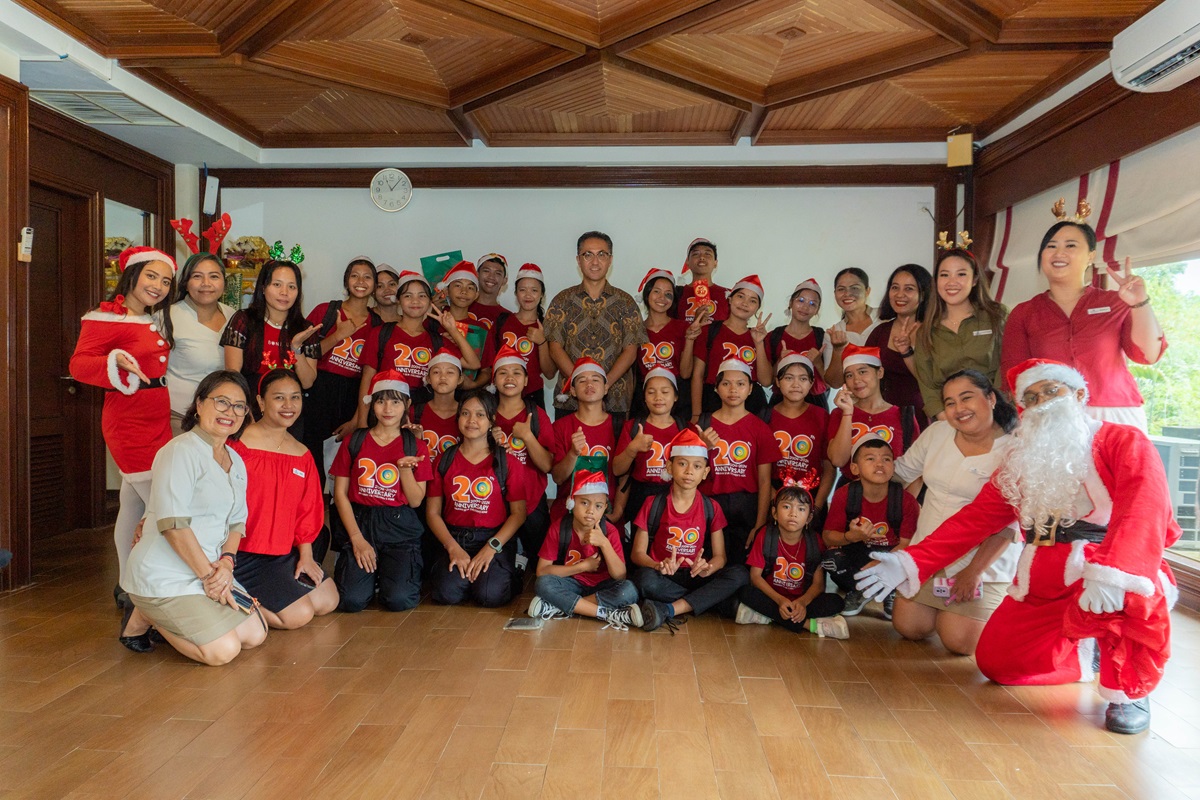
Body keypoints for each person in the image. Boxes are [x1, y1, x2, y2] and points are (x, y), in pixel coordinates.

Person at [856, 358, 1180, 735]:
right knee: (998, 664)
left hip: (1103, 566)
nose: (1041, 401)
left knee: (1131, 598)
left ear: (1078, 394)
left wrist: (1115, 573)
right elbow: (975, 518)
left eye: (1050, 390)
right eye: (1031, 396)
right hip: (1042, 574)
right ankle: (1083, 654)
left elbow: (1146, 508)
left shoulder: (1122, 441)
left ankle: (1129, 690)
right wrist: (909, 561)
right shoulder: (1022, 459)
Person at [120, 370, 267, 665]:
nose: (231, 412)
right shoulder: (179, 451)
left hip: (209, 568)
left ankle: (165, 615)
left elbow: (238, 522)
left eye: (239, 406)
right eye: (221, 402)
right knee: (223, 651)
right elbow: (174, 526)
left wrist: (227, 563)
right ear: (199, 404)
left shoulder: (235, 459)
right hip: (166, 574)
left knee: (255, 635)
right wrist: (211, 577)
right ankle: (146, 614)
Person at [69, 246, 176, 602]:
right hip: (129, 420)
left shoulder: (149, 317)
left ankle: (125, 583)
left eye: (165, 280)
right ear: (132, 274)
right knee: (163, 506)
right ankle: (155, 589)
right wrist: (115, 361)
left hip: (156, 413)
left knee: (132, 502)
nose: (158, 286)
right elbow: (80, 365)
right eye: (151, 276)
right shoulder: (104, 316)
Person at [1000, 199, 1165, 430]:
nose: (1059, 253)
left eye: (1070, 245)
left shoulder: (1116, 301)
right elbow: (1015, 378)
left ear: (1090, 256)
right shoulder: (1024, 313)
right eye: (1051, 246)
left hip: (1114, 414)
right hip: (1051, 417)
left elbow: (1147, 355)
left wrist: (1140, 303)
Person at [891, 370, 1021, 655]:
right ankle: (944, 611)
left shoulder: (1015, 449)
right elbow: (899, 473)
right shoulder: (937, 433)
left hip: (980, 561)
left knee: (960, 642)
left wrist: (974, 571)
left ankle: (985, 611)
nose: (958, 409)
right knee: (909, 627)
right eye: (950, 403)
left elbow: (1009, 524)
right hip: (928, 550)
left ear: (990, 398)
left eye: (966, 398)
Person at [229, 369, 338, 628]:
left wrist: (307, 556)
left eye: (295, 397)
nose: (289, 406)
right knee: (298, 616)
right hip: (242, 553)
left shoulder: (301, 453)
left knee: (328, 600)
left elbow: (307, 510)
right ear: (261, 402)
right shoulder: (237, 444)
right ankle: (231, 598)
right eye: (279, 398)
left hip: (281, 552)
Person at [330, 370, 433, 612]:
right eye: (380, 400)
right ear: (372, 404)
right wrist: (357, 539)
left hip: (399, 527)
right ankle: (369, 575)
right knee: (351, 601)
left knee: (399, 600)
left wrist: (405, 470)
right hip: (360, 521)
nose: (387, 408)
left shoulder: (415, 445)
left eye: (395, 401)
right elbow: (341, 494)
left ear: (407, 404)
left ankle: (386, 575)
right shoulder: (354, 441)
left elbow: (417, 501)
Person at [631, 428, 748, 632]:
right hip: (664, 576)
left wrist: (708, 567)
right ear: (669, 466)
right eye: (682, 463)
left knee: (739, 574)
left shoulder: (711, 507)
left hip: (697, 577)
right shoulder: (654, 504)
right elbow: (637, 554)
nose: (688, 471)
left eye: (696, 466)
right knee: (643, 580)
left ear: (705, 473)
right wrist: (658, 565)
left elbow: (720, 557)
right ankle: (707, 602)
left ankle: (670, 609)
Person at [427, 390, 530, 607]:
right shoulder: (444, 460)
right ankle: (469, 579)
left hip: (494, 538)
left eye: (480, 415)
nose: (472, 420)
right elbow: (433, 513)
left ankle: (511, 570)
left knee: (490, 595)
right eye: (465, 413)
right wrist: (452, 548)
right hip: (455, 537)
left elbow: (518, 514)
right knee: (447, 594)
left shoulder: (507, 462)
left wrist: (490, 548)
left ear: (492, 420)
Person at [544, 231, 647, 426]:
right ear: (578, 259)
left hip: (614, 401)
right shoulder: (562, 300)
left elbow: (631, 351)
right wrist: (579, 382)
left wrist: (603, 385)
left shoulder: (625, 303)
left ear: (610, 260)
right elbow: (555, 348)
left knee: (615, 456)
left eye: (602, 254)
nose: (595, 261)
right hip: (570, 401)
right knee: (569, 455)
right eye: (588, 254)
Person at [529, 469, 642, 630]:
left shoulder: (609, 531)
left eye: (598, 506)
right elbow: (542, 571)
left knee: (629, 590)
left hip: (602, 586)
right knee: (543, 584)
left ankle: (562, 605)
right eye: (584, 503)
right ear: (572, 502)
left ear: (604, 509)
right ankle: (605, 613)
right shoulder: (559, 528)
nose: (590, 511)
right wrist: (582, 567)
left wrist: (604, 543)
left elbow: (620, 575)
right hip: (572, 582)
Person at [356, 269, 479, 416]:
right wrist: (361, 421)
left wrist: (452, 330)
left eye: (422, 296)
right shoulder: (380, 333)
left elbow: (473, 363)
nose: (415, 301)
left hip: (421, 413)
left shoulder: (436, 340)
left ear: (429, 301)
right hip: (385, 410)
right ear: (399, 300)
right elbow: (367, 379)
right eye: (408, 296)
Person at [822, 435, 919, 619]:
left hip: (891, 556)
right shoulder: (845, 495)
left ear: (893, 467)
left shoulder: (906, 501)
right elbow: (828, 536)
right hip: (858, 553)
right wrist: (851, 537)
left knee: (909, 561)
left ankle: (891, 590)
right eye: (870, 458)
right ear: (854, 468)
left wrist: (885, 565)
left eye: (886, 459)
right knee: (831, 559)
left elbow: (907, 545)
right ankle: (858, 590)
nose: (880, 464)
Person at [736, 483, 848, 638]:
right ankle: (811, 625)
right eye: (786, 507)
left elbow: (818, 584)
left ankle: (767, 617)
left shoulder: (815, 541)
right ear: (774, 513)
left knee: (836, 602)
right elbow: (755, 577)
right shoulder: (765, 535)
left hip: (800, 600)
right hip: (773, 597)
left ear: (809, 517)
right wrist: (780, 600)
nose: (793, 514)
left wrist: (802, 603)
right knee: (745, 592)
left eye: (801, 509)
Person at [303, 256, 379, 485]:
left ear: (374, 285)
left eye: (367, 277)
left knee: (343, 463)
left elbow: (371, 374)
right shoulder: (325, 311)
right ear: (346, 282)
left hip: (352, 395)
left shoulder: (377, 324)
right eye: (355, 275)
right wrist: (338, 335)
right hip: (318, 390)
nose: (361, 281)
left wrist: (357, 418)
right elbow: (303, 352)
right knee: (312, 454)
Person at [914, 236, 1006, 421]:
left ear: (974, 280)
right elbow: (927, 384)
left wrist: (995, 411)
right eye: (944, 274)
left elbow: (1006, 365)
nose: (951, 281)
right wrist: (947, 418)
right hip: (950, 419)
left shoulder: (996, 316)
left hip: (995, 414)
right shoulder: (926, 331)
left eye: (961, 274)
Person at [695, 358, 776, 566]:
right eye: (726, 383)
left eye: (740, 384)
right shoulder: (700, 426)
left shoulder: (760, 428)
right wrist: (701, 447)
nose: (733, 390)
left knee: (742, 566)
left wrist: (759, 524)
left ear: (750, 389)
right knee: (709, 563)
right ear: (716, 388)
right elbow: (686, 472)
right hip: (709, 505)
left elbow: (765, 480)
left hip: (746, 507)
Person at [221, 259, 320, 410]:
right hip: (250, 404)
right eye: (277, 284)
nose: (284, 292)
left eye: (291, 286)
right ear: (263, 287)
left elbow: (307, 382)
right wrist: (246, 412)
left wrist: (296, 348)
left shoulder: (305, 329)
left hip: (288, 409)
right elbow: (233, 375)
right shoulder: (243, 320)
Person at [491, 345, 555, 567]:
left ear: (527, 380)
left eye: (517, 372)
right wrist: (489, 442)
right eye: (503, 372)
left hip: (532, 498)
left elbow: (547, 465)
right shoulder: (484, 415)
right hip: (493, 500)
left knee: (540, 560)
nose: (510, 378)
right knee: (501, 562)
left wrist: (528, 437)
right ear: (494, 380)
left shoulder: (537, 415)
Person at [611, 368, 684, 547]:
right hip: (641, 495)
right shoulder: (633, 427)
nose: (658, 397)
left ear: (675, 396)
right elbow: (617, 469)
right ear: (644, 397)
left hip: (674, 494)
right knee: (640, 545)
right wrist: (632, 449)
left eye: (665, 392)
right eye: (651, 392)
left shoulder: (684, 428)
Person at [827, 344, 919, 481]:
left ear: (880, 372)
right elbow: (838, 460)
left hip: (892, 493)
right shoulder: (839, 414)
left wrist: (904, 500)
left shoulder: (903, 416)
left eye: (863, 372)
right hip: (850, 494)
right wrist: (847, 413)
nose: (857, 380)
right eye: (849, 375)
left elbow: (917, 469)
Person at [168, 252, 234, 436]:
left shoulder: (235, 317)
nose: (206, 283)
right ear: (186, 283)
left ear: (224, 282)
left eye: (214, 276)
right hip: (179, 417)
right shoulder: (167, 317)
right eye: (197, 276)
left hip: (224, 417)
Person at [690, 274, 773, 417]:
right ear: (729, 299)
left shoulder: (760, 337)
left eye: (752, 300)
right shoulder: (709, 330)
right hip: (713, 400)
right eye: (740, 296)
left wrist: (759, 344)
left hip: (750, 404)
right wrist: (696, 414)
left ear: (757, 308)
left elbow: (765, 381)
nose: (745, 303)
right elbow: (697, 375)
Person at [550, 358, 619, 518]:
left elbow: (625, 476)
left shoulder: (619, 426)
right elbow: (558, 478)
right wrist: (573, 453)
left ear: (606, 387)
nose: (589, 384)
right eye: (582, 381)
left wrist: (619, 511)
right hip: (568, 514)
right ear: (572, 390)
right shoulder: (560, 427)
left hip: (606, 513)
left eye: (595, 379)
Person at [764, 353, 833, 511]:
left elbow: (829, 467)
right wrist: (776, 501)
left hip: (812, 497)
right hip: (773, 496)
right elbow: (759, 469)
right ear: (777, 382)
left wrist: (818, 505)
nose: (796, 384)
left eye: (803, 379)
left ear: (811, 383)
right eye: (789, 378)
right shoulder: (765, 416)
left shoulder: (822, 417)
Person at [865, 264, 932, 426]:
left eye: (909, 289)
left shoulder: (935, 332)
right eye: (895, 287)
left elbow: (932, 380)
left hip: (926, 417)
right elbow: (864, 374)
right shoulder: (879, 332)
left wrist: (907, 351)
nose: (900, 295)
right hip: (883, 417)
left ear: (923, 295)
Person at [481, 263, 554, 407]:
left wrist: (542, 342)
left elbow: (550, 373)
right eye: (522, 290)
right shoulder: (502, 321)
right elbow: (489, 363)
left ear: (542, 294)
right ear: (515, 293)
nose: (528, 295)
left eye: (534, 290)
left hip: (533, 396)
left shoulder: (548, 327)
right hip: (502, 393)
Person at [633, 268, 698, 419]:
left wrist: (689, 339)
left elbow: (686, 373)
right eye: (657, 291)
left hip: (677, 400)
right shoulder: (636, 330)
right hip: (645, 399)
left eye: (668, 294)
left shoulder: (683, 328)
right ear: (647, 293)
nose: (662, 298)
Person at [765, 279, 830, 407]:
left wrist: (818, 363)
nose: (805, 307)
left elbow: (831, 382)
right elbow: (767, 380)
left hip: (815, 403)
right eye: (800, 300)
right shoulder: (774, 336)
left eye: (812, 304)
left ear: (817, 310)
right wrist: (780, 361)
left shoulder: (823, 338)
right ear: (791, 303)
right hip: (780, 402)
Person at [824, 267, 880, 388]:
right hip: (854, 402)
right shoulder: (834, 333)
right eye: (841, 289)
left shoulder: (884, 318)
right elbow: (834, 383)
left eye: (854, 288)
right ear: (835, 294)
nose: (847, 294)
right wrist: (838, 350)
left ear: (867, 291)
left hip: (891, 398)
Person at [411, 349, 465, 457]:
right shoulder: (414, 412)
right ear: (428, 379)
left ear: (460, 379)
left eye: (450, 372)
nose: (443, 377)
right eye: (436, 372)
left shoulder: (466, 414)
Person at [673, 237, 729, 323]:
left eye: (707, 254)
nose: (702, 257)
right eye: (696, 254)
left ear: (715, 263)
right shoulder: (676, 294)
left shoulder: (728, 295)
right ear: (687, 262)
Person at [469, 253, 512, 331]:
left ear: (504, 280)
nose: (491, 277)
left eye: (498, 273)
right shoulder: (461, 306)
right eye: (486, 271)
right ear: (477, 274)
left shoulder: (508, 318)